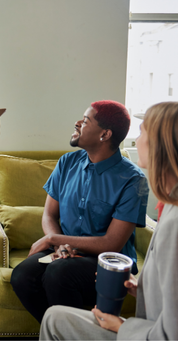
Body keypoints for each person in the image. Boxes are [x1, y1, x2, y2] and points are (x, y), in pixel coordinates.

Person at [39, 101, 178, 341]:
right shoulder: (169, 207)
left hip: (142, 332)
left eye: (142, 132)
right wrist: (141, 290)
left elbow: (170, 332)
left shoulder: (171, 221)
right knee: (38, 293)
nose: (136, 140)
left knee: (56, 298)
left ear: (161, 146)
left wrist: (121, 327)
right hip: (143, 325)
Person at [10, 100, 149, 323]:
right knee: (22, 276)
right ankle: (59, 333)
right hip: (64, 250)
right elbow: (49, 214)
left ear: (104, 135)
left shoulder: (133, 180)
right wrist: (59, 244)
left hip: (106, 260)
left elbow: (112, 243)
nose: (77, 123)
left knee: (58, 274)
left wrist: (53, 238)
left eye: (85, 121)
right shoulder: (67, 162)